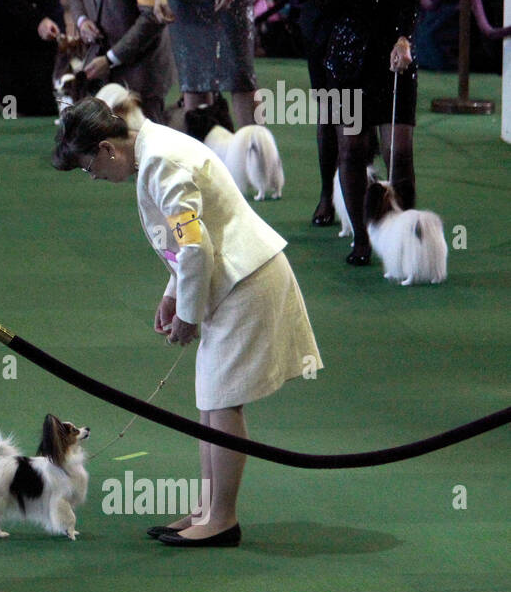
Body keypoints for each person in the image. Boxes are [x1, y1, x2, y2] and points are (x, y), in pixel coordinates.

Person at [53, 98, 322, 547]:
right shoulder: (151, 148)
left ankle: (222, 519)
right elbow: (188, 241)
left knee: (222, 401)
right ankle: (208, 509)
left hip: (246, 281)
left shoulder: (162, 163)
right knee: (210, 401)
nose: (94, 177)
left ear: (106, 149)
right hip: (233, 278)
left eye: (88, 168)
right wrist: (173, 293)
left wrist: (187, 315)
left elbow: (196, 247)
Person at [308, 0, 418, 265]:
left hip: (392, 58)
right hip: (347, 63)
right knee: (352, 150)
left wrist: (405, 38)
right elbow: (325, 8)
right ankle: (361, 237)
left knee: (398, 151)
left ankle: (404, 232)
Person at [282, 0, 337, 226]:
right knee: (329, 114)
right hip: (319, 33)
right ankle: (326, 194)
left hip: (357, 32)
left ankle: (362, 188)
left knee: (359, 115)